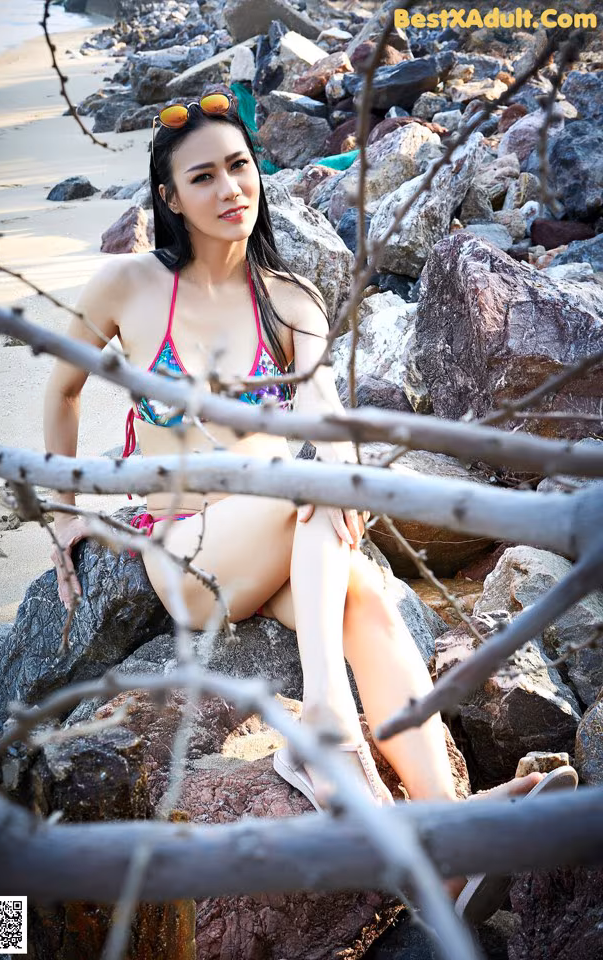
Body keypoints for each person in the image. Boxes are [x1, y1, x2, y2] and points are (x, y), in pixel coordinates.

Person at [43, 92, 577, 921]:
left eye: (241, 166)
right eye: (204, 176)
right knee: (315, 494)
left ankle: (446, 849)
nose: (231, 187)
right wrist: (65, 505)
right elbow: (62, 388)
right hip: (188, 552)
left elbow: (329, 424)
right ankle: (331, 728)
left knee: (361, 587)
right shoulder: (127, 286)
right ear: (168, 196)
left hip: (277, 541)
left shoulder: (290, 302)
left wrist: (339, 474)